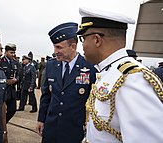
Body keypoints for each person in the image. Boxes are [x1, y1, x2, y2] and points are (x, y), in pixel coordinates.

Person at [77, 7, 163, 143]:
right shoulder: (110, 72)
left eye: (83, 38)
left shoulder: (132, 78)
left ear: (97, 40)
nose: (82, 45)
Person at [36, 22, 97, 143]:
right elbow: (46, 95)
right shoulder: (51, 65)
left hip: (74, 131)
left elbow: (94, 102)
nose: (55, 51)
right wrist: (41, 119)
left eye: (59, 47)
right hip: (51, 129)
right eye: (54, 47)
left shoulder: (90, 67)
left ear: (73, 46)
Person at [0, 43, 20, 123]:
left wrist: (16, 79)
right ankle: (1, 127)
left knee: (12, 110)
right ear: (6, 52)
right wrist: (6, 81)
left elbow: (19, 74)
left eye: (14, 53)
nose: (13, 54)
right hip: (3, 90)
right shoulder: (0, 62)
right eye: (11, 53)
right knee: (1, 111)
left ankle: (3, 124)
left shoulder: (15, 63)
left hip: (11, 91)